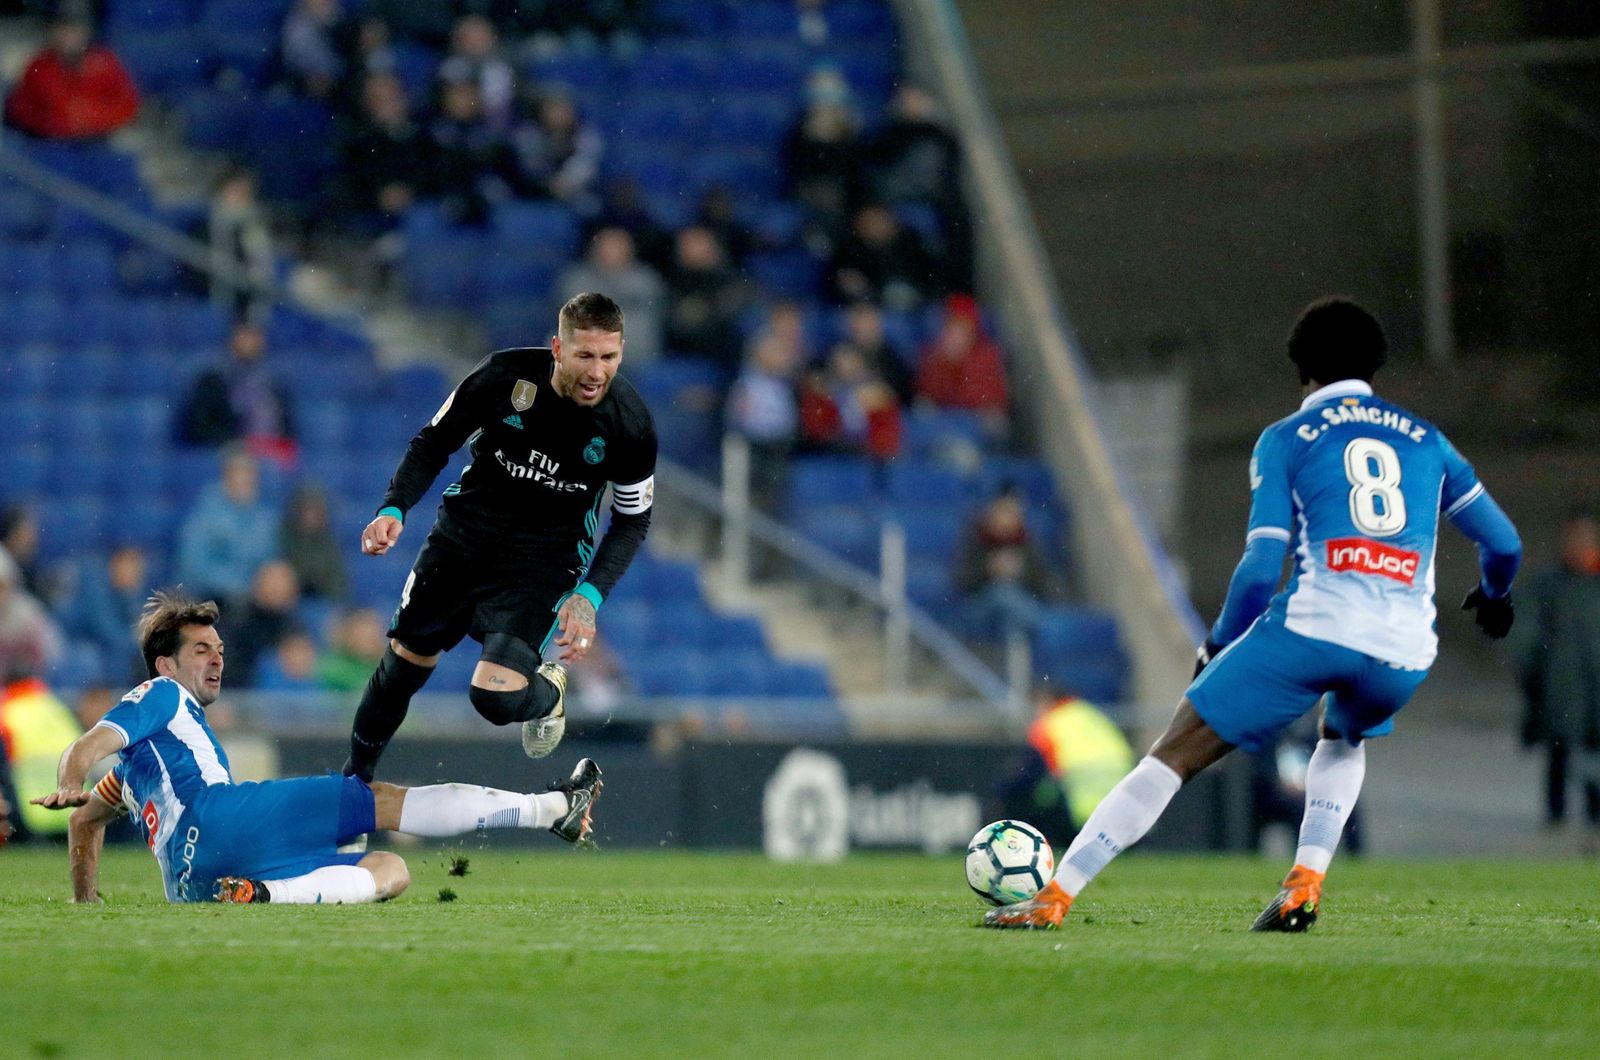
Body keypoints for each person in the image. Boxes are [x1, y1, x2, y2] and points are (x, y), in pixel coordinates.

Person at [985, 297, 1522, 931]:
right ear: (1375, 363)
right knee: (1343, 736)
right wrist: (1494, 595)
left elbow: (1262, 567)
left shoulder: (1287, 439)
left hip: (1318, 626)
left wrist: (1216, 644)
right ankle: (1304, 883)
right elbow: (1504, 543)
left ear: (1301, 366)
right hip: (1403, 648)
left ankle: (1055, 897)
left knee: (1172, 754)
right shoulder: (1428, 441)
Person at [31, 591, 602, 904]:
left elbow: (86, 822)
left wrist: (87, 904)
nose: (217, 658)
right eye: (201, 649)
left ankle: (262, 896)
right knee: (375, 799)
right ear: (165, 664)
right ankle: (550, 809)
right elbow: (90, 744)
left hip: (192, 886)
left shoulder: (137, 773)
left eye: (220, 649)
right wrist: (68, 776)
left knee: (390, 868)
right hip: (224, 820)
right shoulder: (159, 694)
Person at [344, 292, 656, 783]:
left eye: (609, 357)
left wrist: (589, 597)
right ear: (557, 348)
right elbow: (434, 441)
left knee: (493, 698)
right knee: (401, 670)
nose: (598, 371)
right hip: (463, 540)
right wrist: (394, 507)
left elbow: (633, 520)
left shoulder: (630, 425)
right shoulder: (502, 377)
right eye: (585, 355)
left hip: (543, 564)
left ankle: (549, 695)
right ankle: (352, 786)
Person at [1512, 510, 1600, 839]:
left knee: (1595, 753)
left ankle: (1594, 815)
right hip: (1561, 687)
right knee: (1559, 751)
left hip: (1594, 689)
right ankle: (1555, 816)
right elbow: (1524, 630)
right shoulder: (1549, 583)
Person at [3, 10, 139, 141]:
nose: (68, 37)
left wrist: (90, 117)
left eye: (74, 31)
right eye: (62, 30)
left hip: (98, 144)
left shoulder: (105, 65)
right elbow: (18, 107)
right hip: (50, 146)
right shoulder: (40, 66)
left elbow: (128, 105)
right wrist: (51, 122)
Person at [174, 447, 280, 607]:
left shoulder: (265, 519)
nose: (243, 483)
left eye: (248, 477)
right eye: (237, 476)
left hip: (259, 601)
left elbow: (271, 561)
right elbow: (193, 568)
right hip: (212, 601)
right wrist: (243, 587)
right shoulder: (205, 517)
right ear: (225, 479)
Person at [176, 322, 298, 460]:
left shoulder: (275, 383)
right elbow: (202, 426)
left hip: (270, 457)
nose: (250, 343)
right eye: (245, 336)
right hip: (230, 454)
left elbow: (289, 430)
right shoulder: (213, 380)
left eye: (255, 337)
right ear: (233, 339)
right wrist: (236, 444)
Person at [280, 483, 349, 602]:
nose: (310, 516)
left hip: (321, 600)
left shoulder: (329, 544)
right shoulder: (283, 538)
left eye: (315, 511)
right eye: (307, 510)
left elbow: (338, 586)